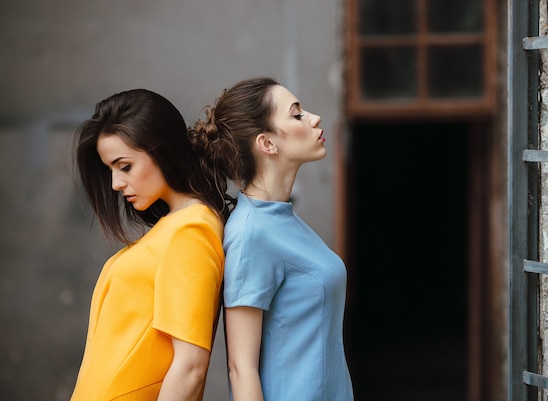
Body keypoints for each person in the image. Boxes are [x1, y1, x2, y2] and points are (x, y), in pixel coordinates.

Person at [70, 88, 232, 401]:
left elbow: (190, 367)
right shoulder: (173, 227)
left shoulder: (192, 230)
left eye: (125, 166)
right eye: (110, 170)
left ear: (162, 152)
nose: (116, 184)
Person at [200, 76, 354, 401]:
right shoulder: (250, 233)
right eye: (297, 114)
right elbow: (241, 368)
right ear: (267, 143)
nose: (314, 119)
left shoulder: (282, 218)